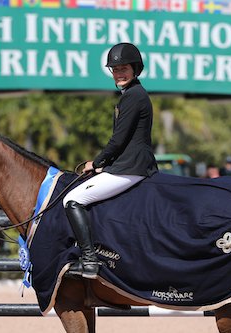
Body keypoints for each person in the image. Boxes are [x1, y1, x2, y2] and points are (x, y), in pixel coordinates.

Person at [62, 43, 158, 279]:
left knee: (73, 199)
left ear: (135, 69)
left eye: (123, 68)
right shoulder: (131, 95)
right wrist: (105, 165)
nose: (119, 73)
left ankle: (90, 260)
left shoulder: (134, 96)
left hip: (132, 167)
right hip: (126, 164)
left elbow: (118, 140)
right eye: (114, 69)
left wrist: (95, 163)